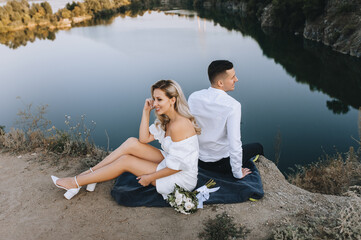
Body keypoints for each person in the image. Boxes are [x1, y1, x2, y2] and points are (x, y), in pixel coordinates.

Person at [52, 80, 201, 200]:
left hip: (181, 177)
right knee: (131, 142)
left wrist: (150, 178)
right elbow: (143, 139)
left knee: (125, 161)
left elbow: (177, 167)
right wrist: (145, 112)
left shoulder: (179, 125)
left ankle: (75, 182)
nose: (154, 103)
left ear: (172, 100)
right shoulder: (168, 120)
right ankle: (90, 175)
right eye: (154, 98)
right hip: (170, 161)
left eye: (159, 99)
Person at [188, 60, 264, 179]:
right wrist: (238, 173)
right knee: (258, 147)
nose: (236, 79)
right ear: (220, 83)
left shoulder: (194, 97)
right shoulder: (232, 106)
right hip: (221, 164)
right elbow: (235, 143)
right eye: (232, 77)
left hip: (198, 160)